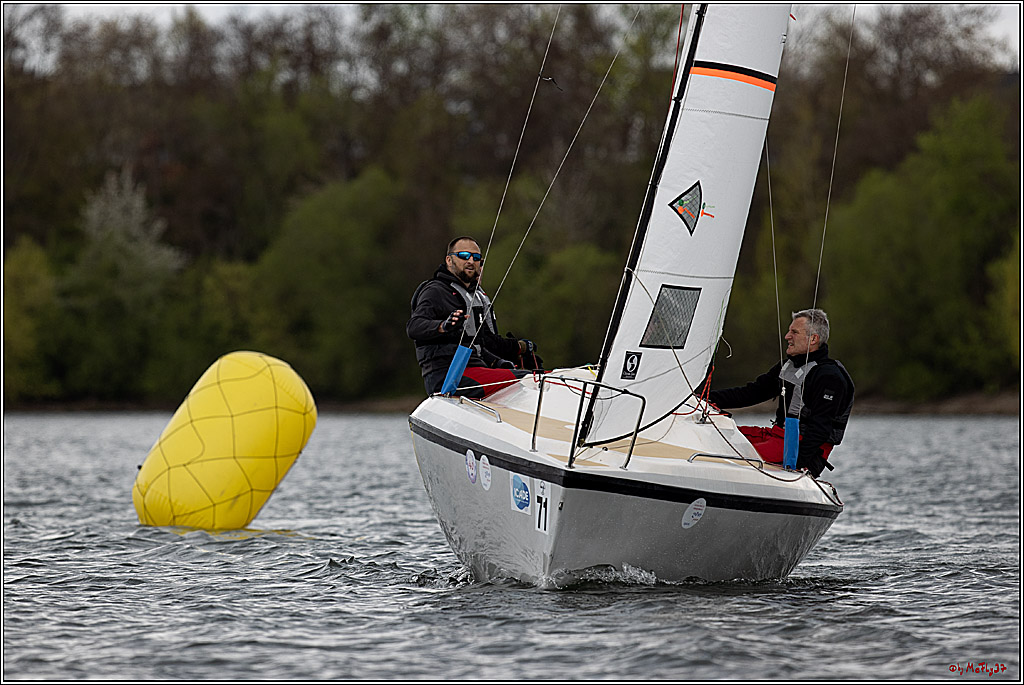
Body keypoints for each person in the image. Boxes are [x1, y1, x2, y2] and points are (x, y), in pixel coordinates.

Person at [707, 309, 854, 477]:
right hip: (777, 437)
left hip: (801, 450)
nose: (787, 336)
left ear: (813, 339)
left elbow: (820, 428)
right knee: (713, 437)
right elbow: (752, 393)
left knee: (724, 452)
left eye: (794, 332)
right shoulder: (788, 366)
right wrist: (702, 398)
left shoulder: (829, 377)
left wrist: (796, 466)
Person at [407, 236, 541, 398]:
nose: (471, 260)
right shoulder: (435, 291)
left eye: (476, 257)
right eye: (464, 256)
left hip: (476, 368)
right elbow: (414, 327)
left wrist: (503, 360)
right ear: (449, 260)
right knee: (530, 380)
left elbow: (483, 343)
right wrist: (443, 326)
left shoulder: (473, 297)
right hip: (448, 376)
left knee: (538, 376)